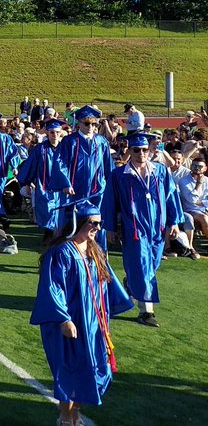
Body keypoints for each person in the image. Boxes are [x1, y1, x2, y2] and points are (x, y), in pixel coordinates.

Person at [31, 210, 132, 426]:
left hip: (94, 322)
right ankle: (65, 418)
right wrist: (63, 319)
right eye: (92, 223)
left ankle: (76, 413)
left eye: (99, 223)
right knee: (69, 369)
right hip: (70, 322)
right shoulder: (61, 253)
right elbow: (52, 287)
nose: (97, 227)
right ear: (77, 223)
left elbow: (107, 284)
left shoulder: (95, 251)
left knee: (91, 367)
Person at [103, 133, 184, 327]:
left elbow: (171, 197)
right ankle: (146, 311)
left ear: (150, 150)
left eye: (144, 150)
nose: (141, 154)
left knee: (152, 264)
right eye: (136, 150)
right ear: (129, 151)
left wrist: (174, 222)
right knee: (142, 266)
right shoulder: (119, 175)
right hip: (134, 229)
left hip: (157, 229)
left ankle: (131, 285)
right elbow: (110, 202)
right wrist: (110, 227)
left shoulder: (161, 172)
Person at [57, 106, 114, 249]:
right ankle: (70, 253)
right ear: (79, 123)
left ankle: (98, 254)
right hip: (75, 190)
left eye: (94, 124)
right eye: (87, 123)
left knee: (97, 223)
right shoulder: (70, 141)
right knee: (73, 222)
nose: (91, 127)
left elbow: (108, 165)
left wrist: (112, 185)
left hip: (97, 190)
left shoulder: (101, 142)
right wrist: (65, 183)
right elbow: (60, 163)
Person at [18, 119, 74, 237]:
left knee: (61, 215)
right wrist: (27, 183)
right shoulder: (40, 149)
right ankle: (51, 237)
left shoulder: (65, 149)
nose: (55, 135)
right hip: (45, 188)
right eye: (52, 132)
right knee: (49, 213)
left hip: (62, 189)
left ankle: (54, 239)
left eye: (58, 132)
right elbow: (31, 166)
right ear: (47, 133)